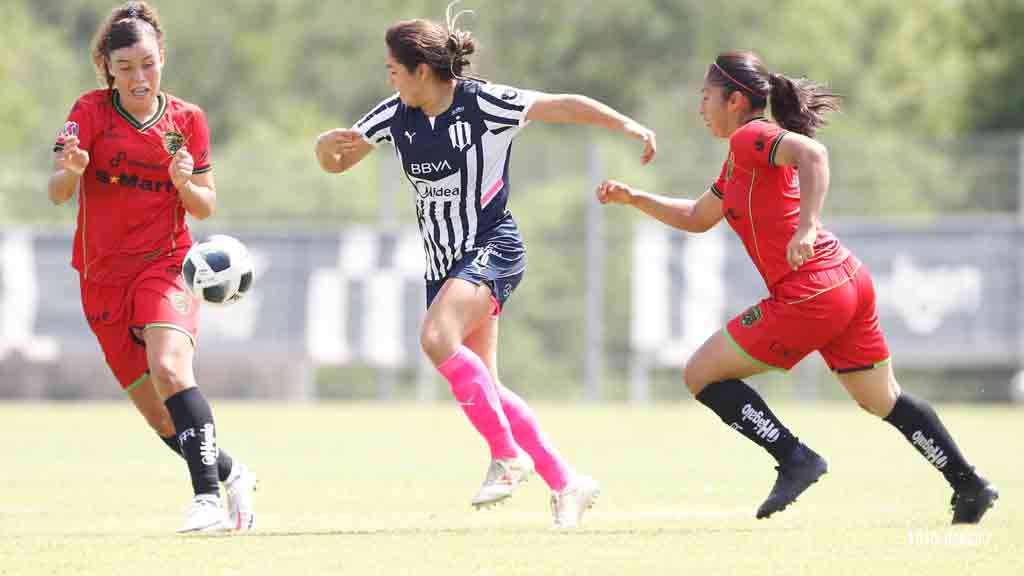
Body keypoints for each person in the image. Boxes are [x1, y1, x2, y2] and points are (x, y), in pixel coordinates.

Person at [596, 50, 998, 524]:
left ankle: (794, 458)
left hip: (810, 293)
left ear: (736, 100)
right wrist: (634, 197)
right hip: (848, 280)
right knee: (881, 399)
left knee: (701, 374)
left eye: (706, 97)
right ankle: (968, 485)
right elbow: (697, 217)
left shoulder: (752, 135)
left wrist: (807, 226)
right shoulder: (738, 162)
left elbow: (814, 153)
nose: (699, 107)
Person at [315, 2, 656, 528]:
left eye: (392, 69)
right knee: (487, 389)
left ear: (421, 71)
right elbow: (338, 161)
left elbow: (561, 105)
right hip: (443, 265)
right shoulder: (395, 115)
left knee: (434, 338)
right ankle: (568, 483)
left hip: (492, 246)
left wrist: (626, 124)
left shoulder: (483, 103)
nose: (388, 78)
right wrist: (324, 147)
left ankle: (506, 457)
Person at [47, 1, 257, 533]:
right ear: (108, 70)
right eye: (125, 68)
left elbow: (205, 205)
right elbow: (57, 193)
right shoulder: (90, 113)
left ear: (162, 56)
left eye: (148, 64)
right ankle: (231, 474)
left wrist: (186, 182)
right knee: (159, 415)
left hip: (166, 267)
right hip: (100, 280)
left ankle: (205, 498)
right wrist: (71, 172)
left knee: (170, 369)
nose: (139, 78)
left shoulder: (188, 121)